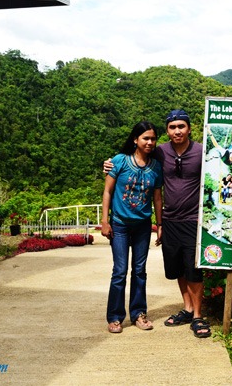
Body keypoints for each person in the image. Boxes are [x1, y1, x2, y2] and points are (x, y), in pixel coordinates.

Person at [104, 109, 211, 338]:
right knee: (174, 269)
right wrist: (108, 165)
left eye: (181, 126)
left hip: (190, 220)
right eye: (172, 127)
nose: (177, 131)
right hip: (163, 222)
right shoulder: (160, 152)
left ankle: (196, 316)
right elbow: (114, 183)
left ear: (189, 128)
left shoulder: (201, 152)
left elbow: (158, 194)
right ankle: (186, 309)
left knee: (191, 269)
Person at [101, 121, 163, 334]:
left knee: (139, 271)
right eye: (145, 138)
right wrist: (105, 221)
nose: (149, 142)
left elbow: (157, 197)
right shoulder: (120, 161)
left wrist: (160, 224)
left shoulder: (156, 167)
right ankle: (115, 317)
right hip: (120, 225)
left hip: (143, 226)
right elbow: (107, 191)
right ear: (135, 139)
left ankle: (138, 313)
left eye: (153, 139)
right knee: (119, 271)